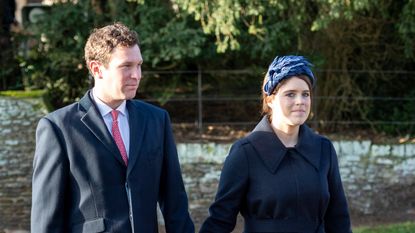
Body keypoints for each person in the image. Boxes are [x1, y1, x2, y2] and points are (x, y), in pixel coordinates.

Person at [31, 22, 195, 233]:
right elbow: (46, 219)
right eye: (126, 66)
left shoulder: (157, 120)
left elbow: (176, 203)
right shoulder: (58, 128)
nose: (136, 75)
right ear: (97, 69)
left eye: (139, 65)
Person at [199, 55, 352, 233]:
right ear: (270, 100)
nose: (300, 102)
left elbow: (338, 218)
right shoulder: (245, 153)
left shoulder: (323, 149)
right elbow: (220, 220)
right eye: (290, 94)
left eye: (306, 94)